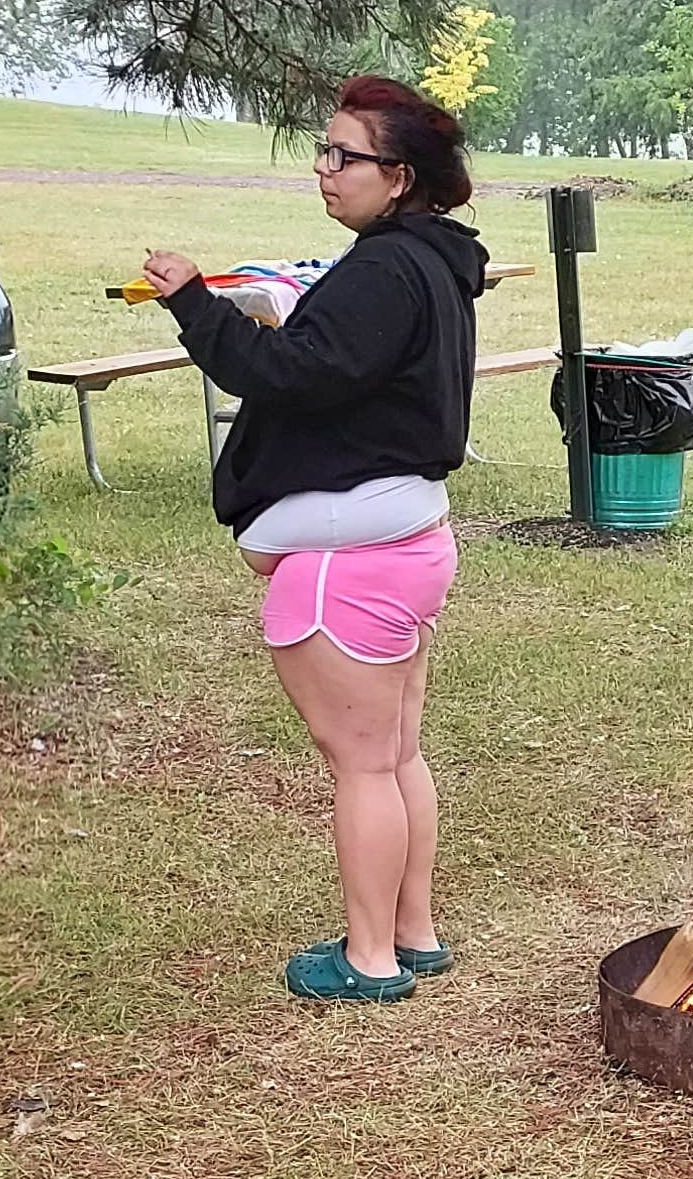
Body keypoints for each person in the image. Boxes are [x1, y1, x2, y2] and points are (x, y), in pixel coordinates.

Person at [144, 76, 491, 1004]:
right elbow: (345, 367)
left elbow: (288, 372)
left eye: (345, 156)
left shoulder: (384, 270)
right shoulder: (430, 261)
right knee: (397, 755)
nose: (324, 169)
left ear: (400, 175)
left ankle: (370, 959)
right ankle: (412, 934)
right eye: (323, 151)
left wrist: (195, 302)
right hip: (405, 545)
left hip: (351, 571)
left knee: (365, 768)